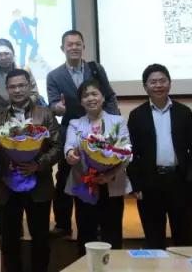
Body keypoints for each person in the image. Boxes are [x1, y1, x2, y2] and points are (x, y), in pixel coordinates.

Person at [46, 30, 119, 237]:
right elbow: (52, 104)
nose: (74, 47)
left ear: (83, 47)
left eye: (78, 44)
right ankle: (63, 224)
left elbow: (109, 96)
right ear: (62, 48)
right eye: (69, 44)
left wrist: (112, 121)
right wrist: (57, 108)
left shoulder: (96, 69)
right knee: (64, 176)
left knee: (97, 173)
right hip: (71, 130)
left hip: (99, 129)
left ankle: (96, 223)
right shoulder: (54, 76)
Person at [0, 68, 60, 272]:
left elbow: (57, 147)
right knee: (9, 240)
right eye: (13, 87)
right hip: (7, 185)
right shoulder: (0, 115)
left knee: (40, 238)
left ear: (29, 87)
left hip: (39, 184)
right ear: (7, 89)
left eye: (21, 85)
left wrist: (38, 164)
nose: (17, 90)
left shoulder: (45, 113)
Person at [127, 63, 192, 249]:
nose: (158, 85)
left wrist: (191, 177)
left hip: (179, 182)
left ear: (170, 83)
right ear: (145, 86)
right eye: (153, 82)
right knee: (154, 240)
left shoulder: (184, 112)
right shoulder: (137, 115)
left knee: (184, 238)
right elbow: (130, 152)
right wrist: (135, 184)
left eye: (162, 81)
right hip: (149, 184)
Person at [64, 79, 131, 253]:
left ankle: (113, 264)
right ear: (81, 101)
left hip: (112, 183)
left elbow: (126, 152)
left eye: (95, 94)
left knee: (112, 232)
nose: (90, 98)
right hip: (85, 183)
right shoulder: (75, 123)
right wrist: (70, 154)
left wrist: (109, 174)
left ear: (103, 97)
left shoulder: (118, 121)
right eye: (85, 95)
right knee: (86, 232)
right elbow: (69, 145)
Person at [0, 37, 39, 237]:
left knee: (25, 166)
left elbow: (35, 94)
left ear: (13, 54)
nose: (3, 57)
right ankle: (1, 220)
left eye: (7, 53)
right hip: (2, 123)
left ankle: (25, 217)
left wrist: (18, 104)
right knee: (4, 171)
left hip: (27, 121)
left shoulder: (25, 70)